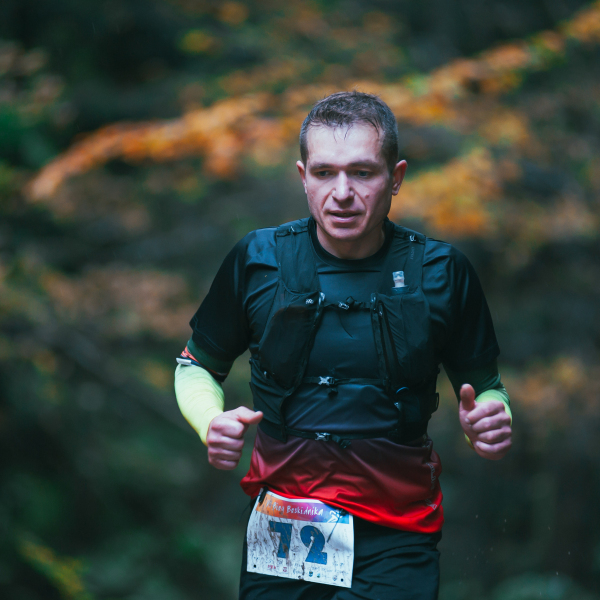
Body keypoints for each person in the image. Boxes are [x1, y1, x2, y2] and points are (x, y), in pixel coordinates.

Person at [174, 91, 512, 600]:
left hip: (399, 529)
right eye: (325, 172)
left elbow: (488, 390)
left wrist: (489, 419)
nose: (342, 193)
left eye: (362, 172)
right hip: (283, 525)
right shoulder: (258, 259)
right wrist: (210, 422)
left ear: (395, 177)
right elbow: (194, 366)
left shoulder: (442, 271)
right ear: (303, 177)